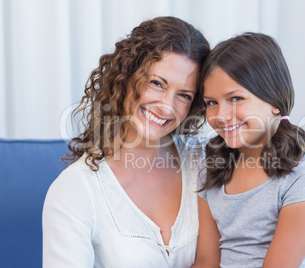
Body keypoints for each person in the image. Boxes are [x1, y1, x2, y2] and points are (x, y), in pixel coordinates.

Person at [42, 16, 210, 267]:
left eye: (183, 95)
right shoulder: (76, 191)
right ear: (127, 75)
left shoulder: (204, 160)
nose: (166, 106)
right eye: (157, 83)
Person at [193, 33, 305, 267]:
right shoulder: (212, 166)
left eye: (235, 98)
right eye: (211, 102)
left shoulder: (303, 175)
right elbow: (206, 262)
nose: (220, 115)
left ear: (274, 101)